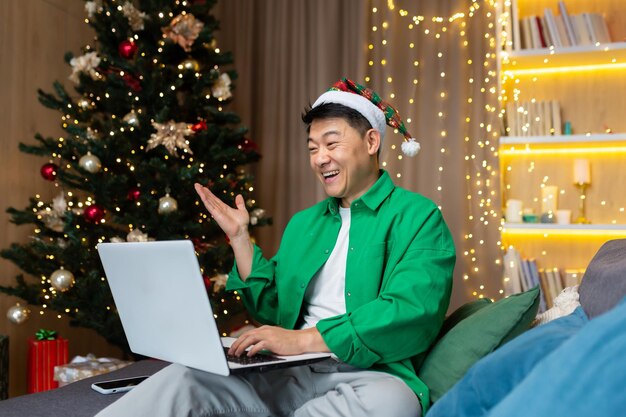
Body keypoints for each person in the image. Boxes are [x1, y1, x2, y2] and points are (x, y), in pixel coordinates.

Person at [96, 78, 456, 417]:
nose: (320, 158)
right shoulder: (304, 223)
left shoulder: (418, 216)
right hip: (286, 371)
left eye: (332, 144)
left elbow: (411, 311)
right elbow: (274, 309)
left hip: (368, 374)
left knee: (392, 404)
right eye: (313, 148)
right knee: (183, 379)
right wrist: (240, 239)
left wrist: (302, 341)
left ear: (372, 142)